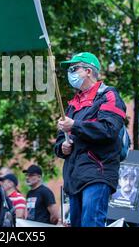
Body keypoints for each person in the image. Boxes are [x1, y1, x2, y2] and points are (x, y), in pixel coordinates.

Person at [54, 52, 126, 227]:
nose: (69, 73)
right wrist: (62, 147)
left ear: (88, 71)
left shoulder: (108, 95)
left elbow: (109, 130)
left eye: (74, 68)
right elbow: (59, 141)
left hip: (98, 172)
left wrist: (75, 126)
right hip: (73, 177)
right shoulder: (72, 104)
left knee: (91, 223)